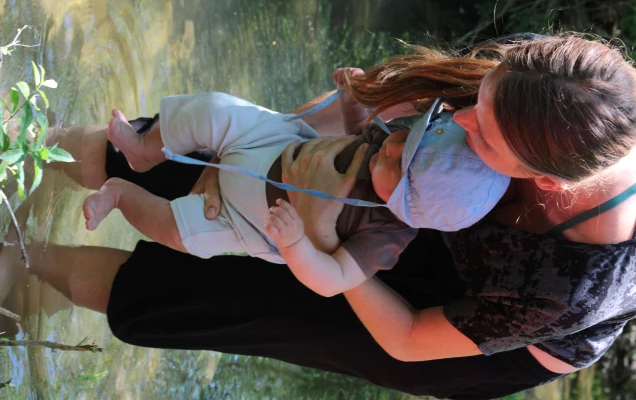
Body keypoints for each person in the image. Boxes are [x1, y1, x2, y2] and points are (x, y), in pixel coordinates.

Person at [9, 33, 636, 400]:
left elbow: (407, 336)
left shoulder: (569, 285)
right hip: (435, 194)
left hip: (452, 320)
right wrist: (296, 136)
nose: (455, 121)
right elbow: (375, 111)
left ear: (540, 179)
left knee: (213, 292)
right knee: (215, 152)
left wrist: (315, 238)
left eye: (479, 135)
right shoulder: (555, 88)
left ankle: (17, 267)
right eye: (474, 100)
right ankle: (17, 154)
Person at [80, 90, 508, 297]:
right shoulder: (386, 144)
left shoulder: (386, 236)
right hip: (270, 144)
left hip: (247, 219)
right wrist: (352, 103)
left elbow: (332, 280)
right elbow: (357, 131)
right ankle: (141, 150)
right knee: (213, 109)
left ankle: (118, 194)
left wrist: (298, 242)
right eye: (408, 137)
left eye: (401, 163)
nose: (391, 146)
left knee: (182, 233)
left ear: (409, 206)